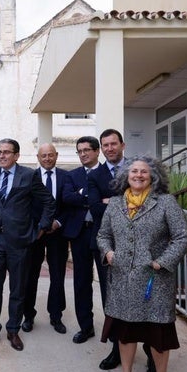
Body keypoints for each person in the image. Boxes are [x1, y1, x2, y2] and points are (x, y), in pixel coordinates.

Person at [96, 156, 187, 372]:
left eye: (144, 172)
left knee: (157, 334)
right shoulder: (115, 203)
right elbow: (103, 234)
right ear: (126, 175)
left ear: (153, 176)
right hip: (122, 279)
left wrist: (163, 261)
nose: (138, 175)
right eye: (134, 171)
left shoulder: (166, 202)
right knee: (126, 334)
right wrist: (108, 252)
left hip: (154, 281)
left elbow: (181, 237)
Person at [87, 129, 156, 372]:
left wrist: (112, 201)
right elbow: (95, 208)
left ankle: (151, 354)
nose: (109, 148)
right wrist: (126, 202)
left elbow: (151, 203)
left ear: (122, 145)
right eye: (105, 145)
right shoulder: (95, 176)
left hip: (143, 247)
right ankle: (117, 350)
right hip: (109, 247)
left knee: (146, 300)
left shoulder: (138, 169)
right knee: (113, 300)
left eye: (113, 143)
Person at [0, 138, 54, 352]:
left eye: (7, 152)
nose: (2, 156)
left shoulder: (29, 175)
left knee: (18, 288)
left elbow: (48, 201)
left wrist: (42, 227)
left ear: (17, 155)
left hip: (20, 241)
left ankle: (13, 330)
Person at [22, 143, 69, 334]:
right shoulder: (29, 177)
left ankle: (56, 316)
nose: (47, 159)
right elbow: (25, 206)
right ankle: (28, 316)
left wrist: (58, 222)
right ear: (38, 158)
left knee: (57, 276)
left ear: (56, 156)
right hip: (35, 234)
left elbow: (69, 206)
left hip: (58, 234)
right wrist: (38, 227)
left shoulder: (67, 177)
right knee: (30, 276)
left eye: (51, 155)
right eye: (44, 156)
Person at [62, 136, 104, 343]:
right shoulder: (73, 175)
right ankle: (86, 327)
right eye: (79, 151)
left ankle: (112, 330)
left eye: (87, 150)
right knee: (81, 282)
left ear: (97, 151)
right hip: (79, 233)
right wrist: (92, 197)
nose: (83, 154)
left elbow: (112, 199)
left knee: (107, 283)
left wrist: (82, 195)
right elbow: (67, 197)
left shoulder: (107, 173)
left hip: (102, 233)